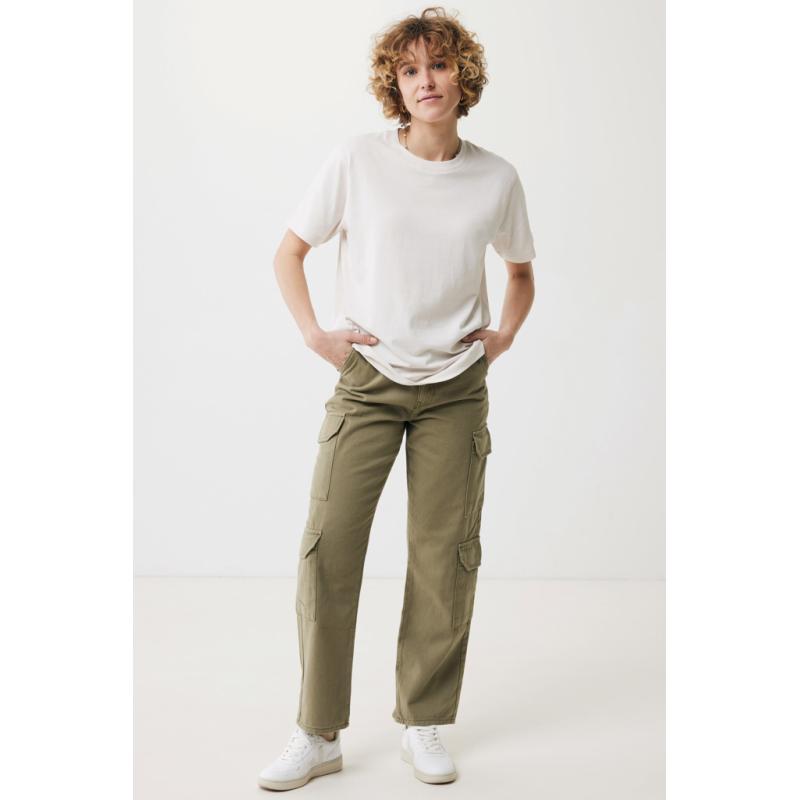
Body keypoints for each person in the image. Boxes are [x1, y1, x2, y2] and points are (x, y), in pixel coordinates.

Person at [258, 6, 536, 791]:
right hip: (369, 383)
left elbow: (520, 272)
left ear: (462, 76)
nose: (426, 81)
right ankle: (317, 732)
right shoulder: (357, 160)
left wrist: (502, 337)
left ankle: (424, 721)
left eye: (439, 65)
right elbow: (289, 252)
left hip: (456, 391)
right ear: (395, 84)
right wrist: (317, 335)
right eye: (410, 70)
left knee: (444, 557)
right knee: (328, 550)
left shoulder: (496, 178)